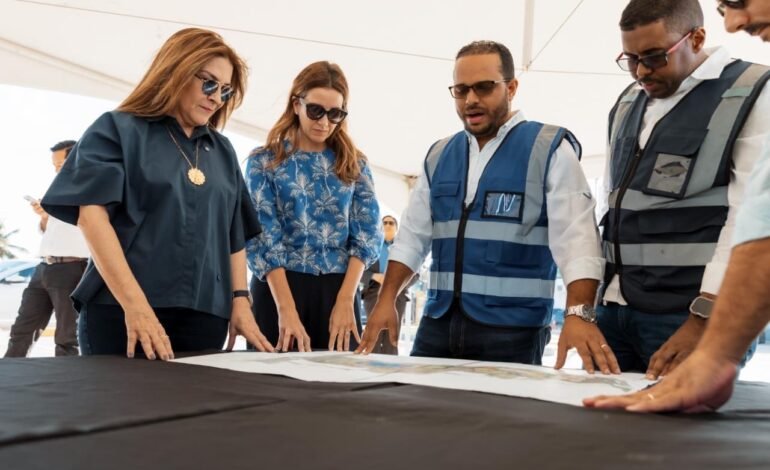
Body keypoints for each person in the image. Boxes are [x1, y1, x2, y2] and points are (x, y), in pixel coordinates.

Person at [357, 41, 611, 372]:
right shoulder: (439, 155)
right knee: (420, 416)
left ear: (512, 87)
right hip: (438, 325)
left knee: (503, 422)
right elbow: (411, 238)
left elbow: (577, 242)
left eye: (484, 87)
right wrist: (387, 298)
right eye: (461, 90)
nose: (471, 100)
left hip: (513, 332)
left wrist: (579, 314)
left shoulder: (549, 149)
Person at [40, 28, 273, 360]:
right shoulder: (117, 128)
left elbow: (234, 234)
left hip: (206, 316)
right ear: (175, 71)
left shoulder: (222, 150)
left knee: (195, 412)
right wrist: (135, 306)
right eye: (208, 83)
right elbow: (92, 218)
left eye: (225, 90)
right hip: (121, 309)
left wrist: (240, 301)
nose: (215, 97)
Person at [584, 0, 770, 412]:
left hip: (683, 317)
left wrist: (703, 319)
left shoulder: (753, 92)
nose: (640, 72)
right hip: (615, 312)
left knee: (682, 441)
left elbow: (751, 217)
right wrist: (593, 307)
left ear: (697, 38)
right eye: (629, 59)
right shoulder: (628, 102)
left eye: (653, 57)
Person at [246, 61, 382, 353]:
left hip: (339, 290)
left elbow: (368, 233)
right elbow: (262, 236)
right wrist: (286, 308)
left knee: (335, 392)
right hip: (277, 289)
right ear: (296, 104)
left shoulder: (355, 164)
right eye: (315, 110)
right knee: (269, 390)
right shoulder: (263, 161)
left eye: (335, 114)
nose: (324, 122)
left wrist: (347, 299)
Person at [4, 140, 89, 357]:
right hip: (44, 267)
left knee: (67, 337)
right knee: (22, 330)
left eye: (59, 165)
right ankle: (8, 379)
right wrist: (44, 216)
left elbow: (89, 225)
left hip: (71, 267)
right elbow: (49, 229)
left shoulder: (88, 187)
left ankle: (67, 385)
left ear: (74, 160)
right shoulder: (57, 188)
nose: (55, 170)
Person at [360, 214, 416, 354]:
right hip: (373, 293)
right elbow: (360, 270)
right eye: (385, 223)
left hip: (398, 294)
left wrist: (398, 284)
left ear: (396, 228)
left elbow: (415, 274)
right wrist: (374, 276)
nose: (388, 225)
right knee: (374, 334)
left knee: (392, 336)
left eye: (391, 223)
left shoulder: (403, 248)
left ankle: (390, 370)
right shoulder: (372, 247)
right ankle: (370, 366)